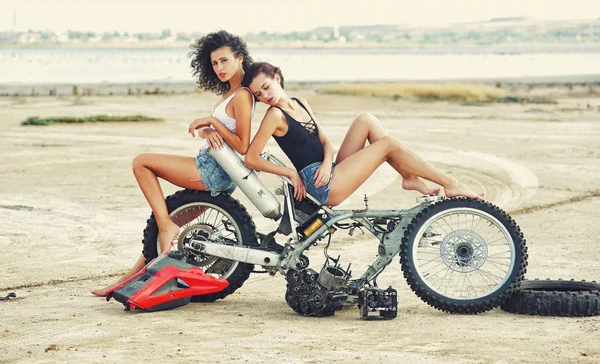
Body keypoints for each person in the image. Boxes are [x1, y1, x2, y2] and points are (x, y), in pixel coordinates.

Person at [91, 30, 255, 297]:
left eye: (224, 61)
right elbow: (216, 134)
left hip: (212, 172)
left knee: (142, 163)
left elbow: (243, 145)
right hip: (212, 167)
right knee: (159, 241)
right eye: (214, 63)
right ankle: (120, 285)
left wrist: (212, 123)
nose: (219, 68)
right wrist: (208, 130)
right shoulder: (230, 93)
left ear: (239, 58)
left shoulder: (243, 96)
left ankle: (166, 224)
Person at [242, 62, 483, 206]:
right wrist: (291, 173)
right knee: (388, 144)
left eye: (266, 87)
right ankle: (450, 184)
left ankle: (409, 178)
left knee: (366, 119)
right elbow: (251, 158)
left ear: (277, 77)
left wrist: (327, 163)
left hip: (330, 171)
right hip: (320, 187)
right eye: (259, 95)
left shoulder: (300, 102)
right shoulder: (274, 116)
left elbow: (325, 141)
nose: (265, 96)